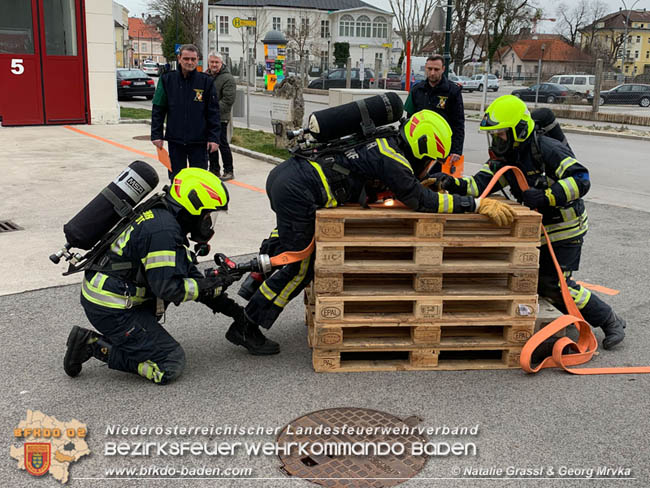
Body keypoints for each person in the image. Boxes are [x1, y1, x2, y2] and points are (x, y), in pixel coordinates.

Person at [229, 110, 517, 354]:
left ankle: (254, 283)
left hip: (287, 177)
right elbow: (423, 202)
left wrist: (424, 184)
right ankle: (247, 325)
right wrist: (475, 204)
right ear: (422, 147)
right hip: (298, 192)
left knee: (288, 243)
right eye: (430, 159)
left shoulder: (388, 141)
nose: (430, 166)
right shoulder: (393, 159)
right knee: (300, 266)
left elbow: (388, 183)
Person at [430, 95, 626, 350]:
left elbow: (581, 179)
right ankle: (573, 320)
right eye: (494, 135)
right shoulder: (508, 155)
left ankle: (609, 320)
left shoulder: (547, 148)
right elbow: (481, 185)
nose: (497, 141)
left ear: (519, 130)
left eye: (500, 135)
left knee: (556, 283)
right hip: (540, 228)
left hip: (566, 227)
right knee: (540, 282)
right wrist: (450, 182)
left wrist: (547, 197)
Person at [63, 168, 248, 384]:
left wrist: (237, 313)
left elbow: (189, 275)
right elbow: (169, 289)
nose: (208, 223)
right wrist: (208, 284)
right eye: (208, 215)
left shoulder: (165, 215)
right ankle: (92, 345)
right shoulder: (163, 233)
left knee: (170, 295)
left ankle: (135, 336)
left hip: (111, 295)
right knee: (170, 363)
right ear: (193, 206)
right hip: (110, 306)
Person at [151, 44, 220, 180]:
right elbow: (158, 109)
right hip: (175, 141)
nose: (190, 62)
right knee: (177, 179)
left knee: (199, 180)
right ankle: (176, 202)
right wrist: (156, 134)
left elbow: (213, 112)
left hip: (199, 142)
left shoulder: (206, 82)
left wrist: (214, 138)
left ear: (198, 60)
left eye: (193, 59)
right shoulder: (167, 80)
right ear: (179, 58)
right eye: (186, 58)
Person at [404, 54, 465, 170]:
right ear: (425, 68)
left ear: (443, 69)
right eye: (429, 69)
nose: (432, 73)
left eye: (436, 69)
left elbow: (458, 123)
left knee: (437, 184)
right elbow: (409, 121)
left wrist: (456, 150)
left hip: (442, 150)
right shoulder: (417, 90)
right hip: (418, 149)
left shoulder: (453, 91)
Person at [206, 53, 236, 181]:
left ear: (221, 63)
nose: (214, 64)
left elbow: (228, 100)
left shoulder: (228, 78)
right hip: (206, 116)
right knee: (209, 144)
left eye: (216, 62)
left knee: (222, 144)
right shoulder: (206, 76)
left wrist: (212, 110)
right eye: (212, 62)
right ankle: (214, 169)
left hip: (221, 117)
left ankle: (229, 170)